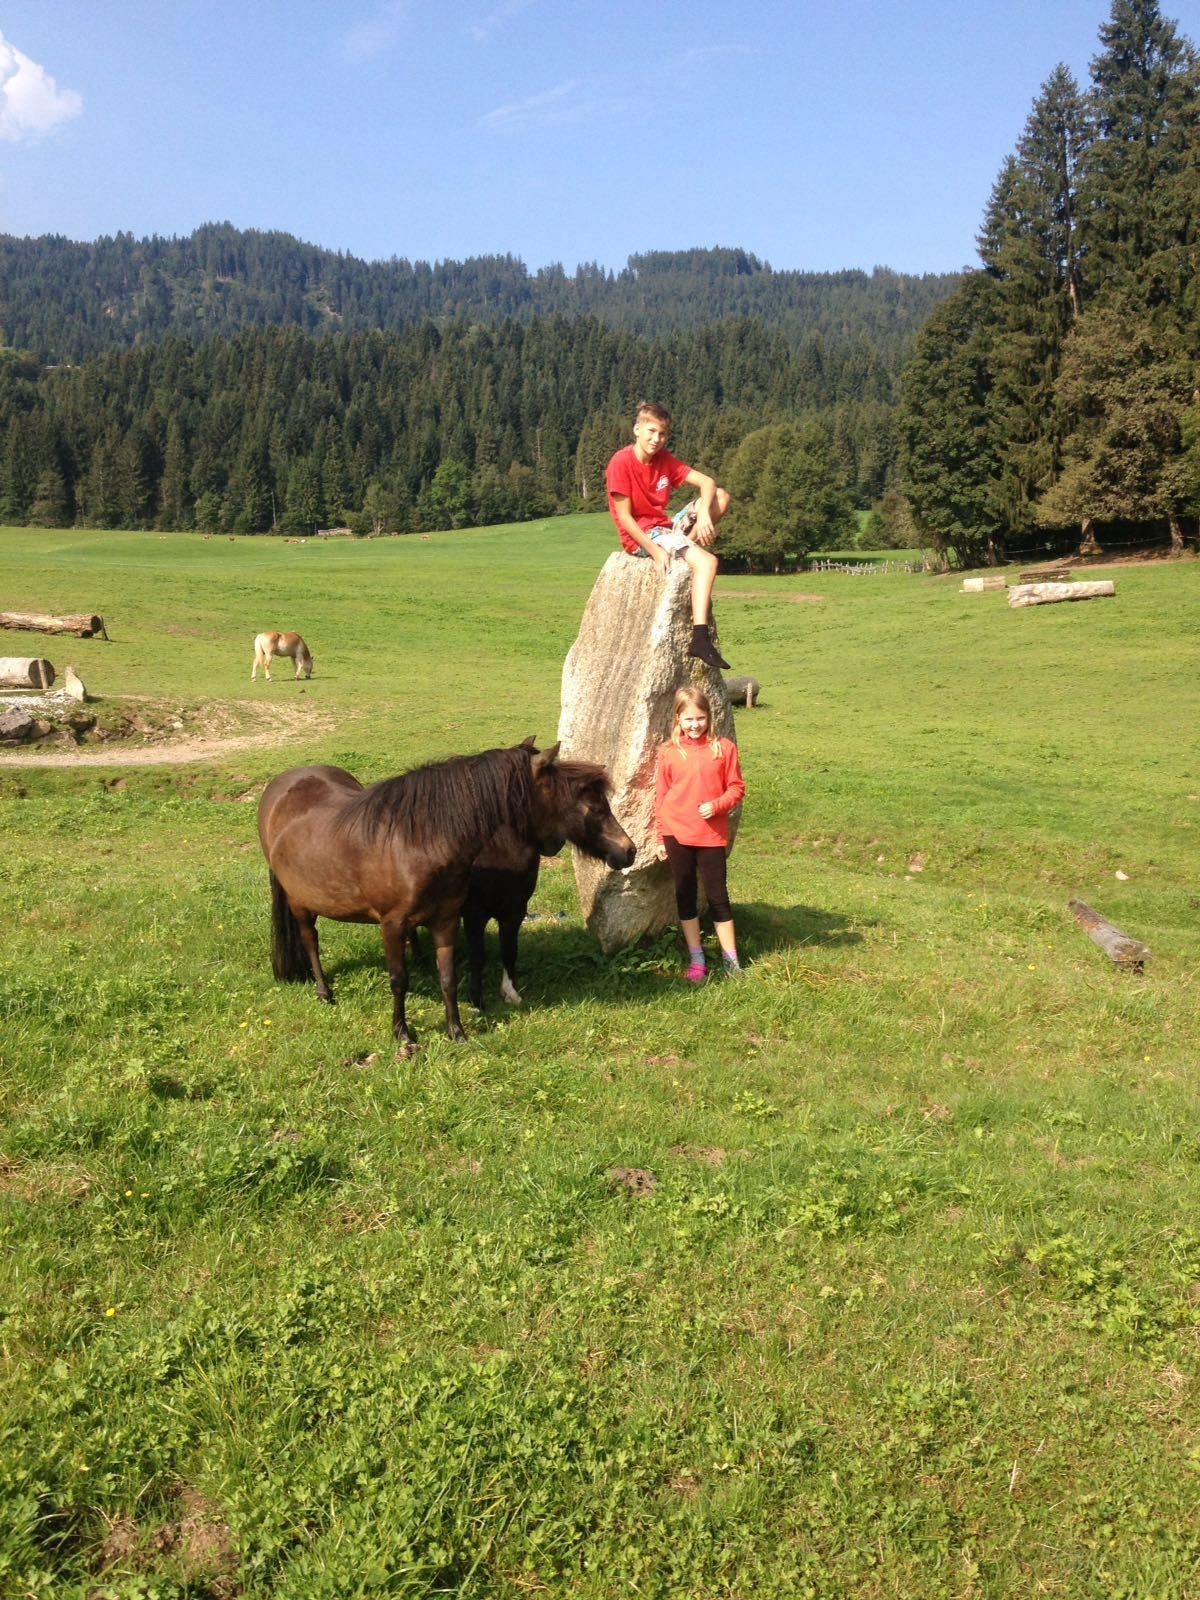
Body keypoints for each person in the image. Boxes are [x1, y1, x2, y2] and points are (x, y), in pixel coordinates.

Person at [606, 401, 732, 669]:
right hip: (645, 535)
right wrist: (654, 551)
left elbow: (707, 482)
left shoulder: (663, 459)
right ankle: (700, 639)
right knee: (708, 562)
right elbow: (624, 517)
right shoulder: (621, 462)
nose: (656, 439)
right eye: (651, 431)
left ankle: (686, 548)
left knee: (720, 497)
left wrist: (705, 515)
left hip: (665, 527)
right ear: (637, 429)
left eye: (662, 434)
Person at [654, 685, 745, 982]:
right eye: (689, 719)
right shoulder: (668, 752)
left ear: (709, 717)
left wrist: (717, 805)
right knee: (685, 896)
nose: (695, 725)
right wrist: (660, 837)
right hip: (676, 834)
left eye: (701, 718)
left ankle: (731, 960)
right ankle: (697, 958)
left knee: (718, 897)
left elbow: (737, 788)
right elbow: (662, 796)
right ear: (678, 719)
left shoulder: (724, 748)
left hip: (711, 835)